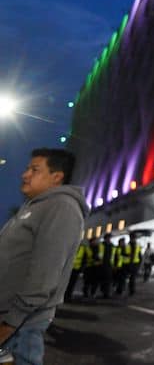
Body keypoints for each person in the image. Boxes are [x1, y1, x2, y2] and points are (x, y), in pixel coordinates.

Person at [0, 148, 88, 365]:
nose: (25, 174)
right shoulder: (35, 207)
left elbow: (44, 276)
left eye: (34, 169)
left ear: (56, 177)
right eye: (27, 168)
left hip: (20, 326)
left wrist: (10, 324)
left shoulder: (61, 207)